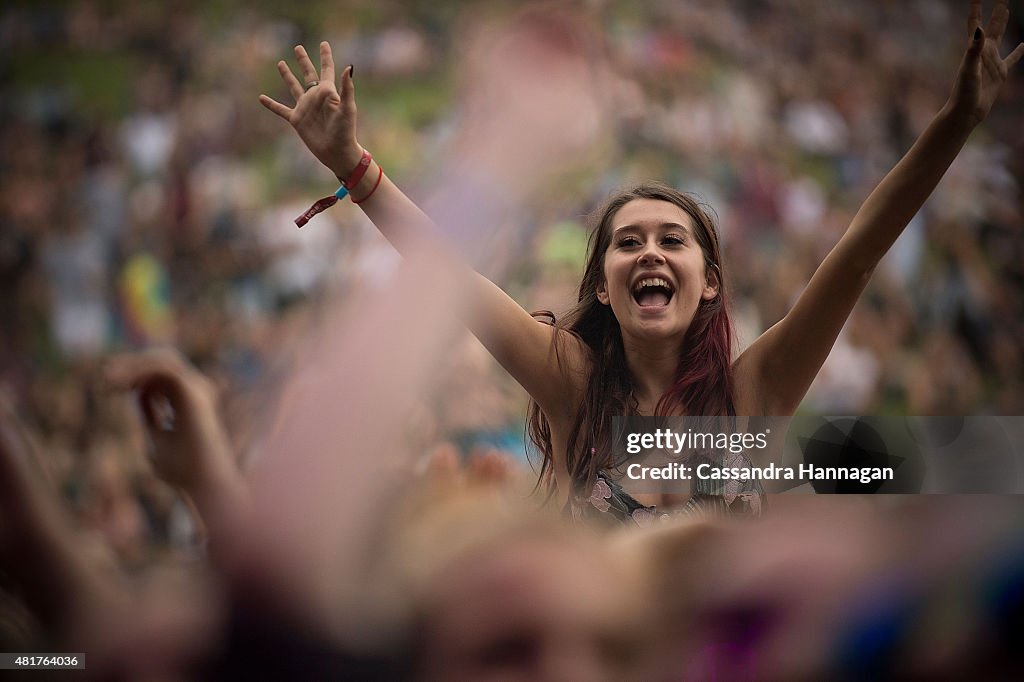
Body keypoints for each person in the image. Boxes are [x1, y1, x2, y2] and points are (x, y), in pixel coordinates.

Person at [260, 1, 1023, 525]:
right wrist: (353, 166)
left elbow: (858, 255)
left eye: (672, 239)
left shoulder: (752, 394)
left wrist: (956, 125)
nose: (649, 251)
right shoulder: (573, 385)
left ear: (711, 281)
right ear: (602, 285)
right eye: (628, 242)